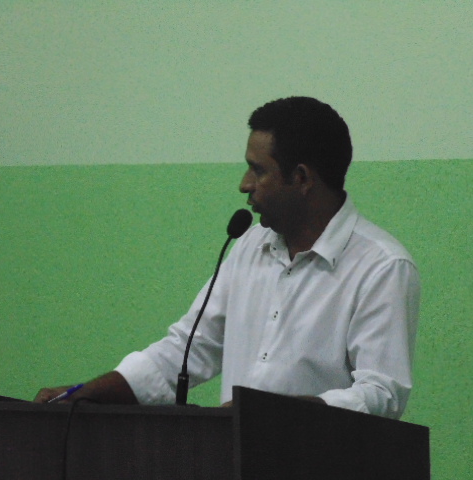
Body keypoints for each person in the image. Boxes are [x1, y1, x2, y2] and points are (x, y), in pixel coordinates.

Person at [35, 96, 420, 419]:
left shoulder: (381, 267)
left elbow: (381, 395)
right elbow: (187, 350)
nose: (244, 185)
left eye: (258, 170)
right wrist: (86, 393)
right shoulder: (250, 246)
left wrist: (272, 414)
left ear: (301, 178)